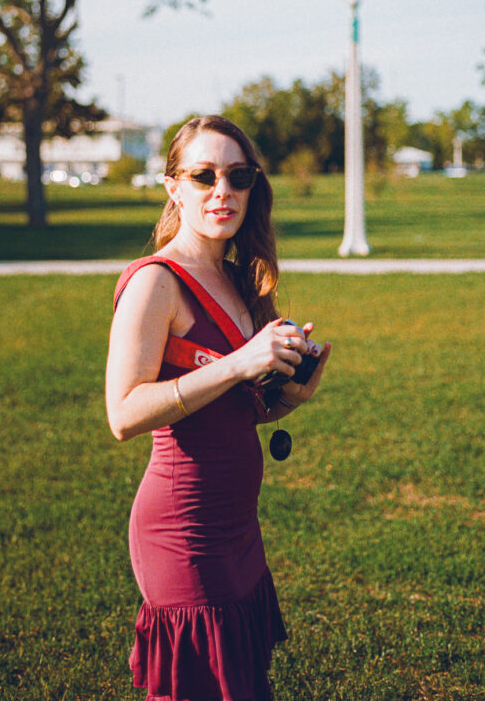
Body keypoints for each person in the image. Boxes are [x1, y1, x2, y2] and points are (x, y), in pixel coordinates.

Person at [106, 115, 330, 701]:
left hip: (238, 527)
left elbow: (233, 409)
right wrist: (239, 361)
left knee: (244, 682)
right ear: (173, 187)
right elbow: (123, 414)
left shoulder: (237, 278)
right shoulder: (155, 282)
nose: (222, 190)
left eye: (238, 176)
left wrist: (289, 395)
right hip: (182, 529)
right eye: (203, 176)